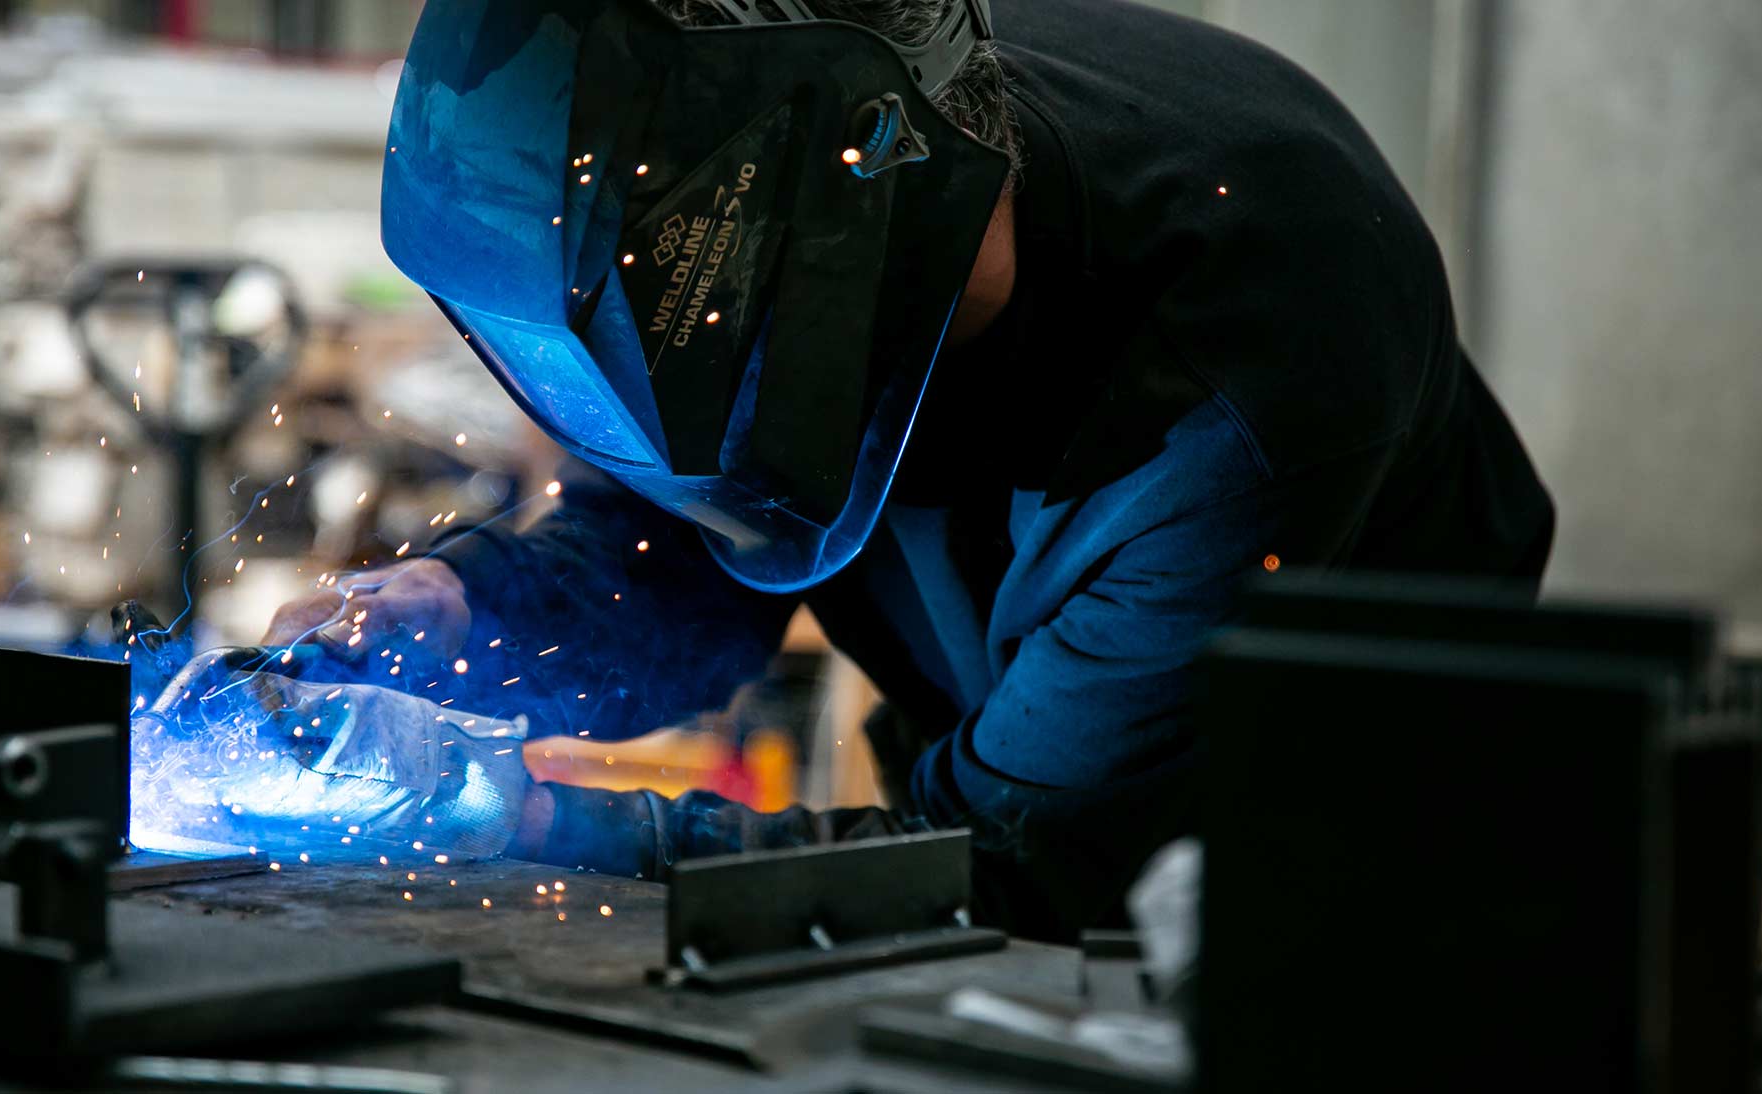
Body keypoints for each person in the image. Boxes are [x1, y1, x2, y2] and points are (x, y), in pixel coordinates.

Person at [262, 0, 1555, 941]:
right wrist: (466, 609)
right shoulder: (803, 198)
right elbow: (692, 559)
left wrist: (548, 828)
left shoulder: (1231, 410)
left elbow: (1000, 872)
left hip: (1334, 883)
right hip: (1042, 802)